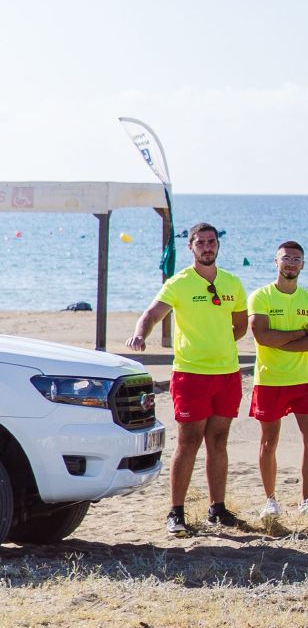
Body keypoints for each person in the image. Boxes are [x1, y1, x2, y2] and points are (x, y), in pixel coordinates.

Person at [127, 222, 248, 537]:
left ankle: (217, 509)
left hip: (227, 374)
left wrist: (218, 344)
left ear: (218, 246)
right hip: (191, 374)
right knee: (189, 440)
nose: (207, 247)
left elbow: (239, 325)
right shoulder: (179, 283)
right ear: (191, 247)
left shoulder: (233, 282)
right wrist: (140, 335)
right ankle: (176, 512)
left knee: (218, 440)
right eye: (201, 242)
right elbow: (152, 314)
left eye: (212, 242)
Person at [247, 241, 308, 518]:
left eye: (296, 259)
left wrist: (281, 338)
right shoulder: (261, 296)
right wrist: (297, 335)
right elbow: (262, 337)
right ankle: (270, 500)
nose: (291, 263)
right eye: (286, 258)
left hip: (302, 380)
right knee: (269, 441)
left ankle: (307, 499)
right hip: (269, 380)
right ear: (276, 262)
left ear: (303, 264)